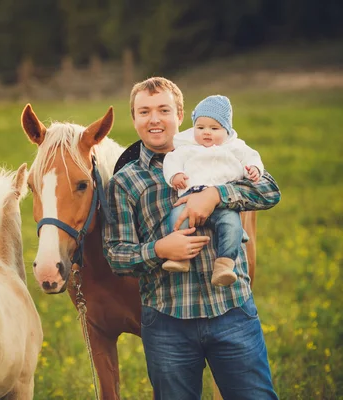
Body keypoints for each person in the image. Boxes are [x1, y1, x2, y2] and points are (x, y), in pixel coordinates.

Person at [103, 77, 280, 399]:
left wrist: (216, 194)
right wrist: (159, 249)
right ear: (134, 119)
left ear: (180, 114)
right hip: (167, 320)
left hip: (232, 311)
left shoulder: (220, 151)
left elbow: (269, 192)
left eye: (163, 110)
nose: (154, 119)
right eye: (144, 112)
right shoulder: (125, 181)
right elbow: (116, 254)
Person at [161, 95, 264, 287]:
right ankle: (179, 258)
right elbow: (171, 161)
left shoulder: (234, 147)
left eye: (214, 128)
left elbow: (252, 157)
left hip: (222, 203)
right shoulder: (186, 148)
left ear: (227, 130)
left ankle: (224, 264)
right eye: (200, 128)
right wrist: (175, 176)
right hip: (189, 198)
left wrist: (254, 169)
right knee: (176, 219)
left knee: (232, 225)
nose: (206, 133)